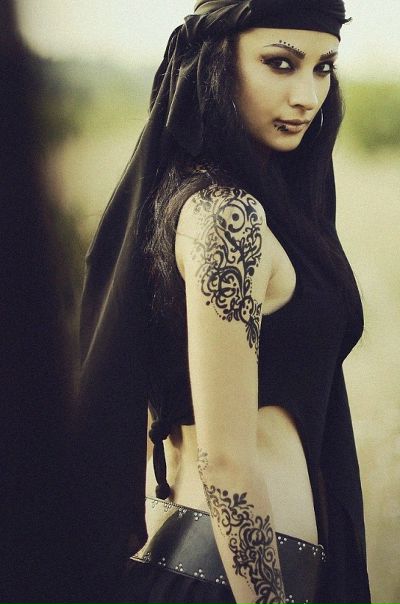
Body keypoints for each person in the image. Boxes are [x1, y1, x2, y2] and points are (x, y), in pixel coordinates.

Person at [78, 1, 371, 603]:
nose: (307, 96)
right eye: (280, 63)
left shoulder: (245, 207)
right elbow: (228, 461)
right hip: (230, 581)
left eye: (323, 68)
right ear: (216, 63)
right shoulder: (227, 217)